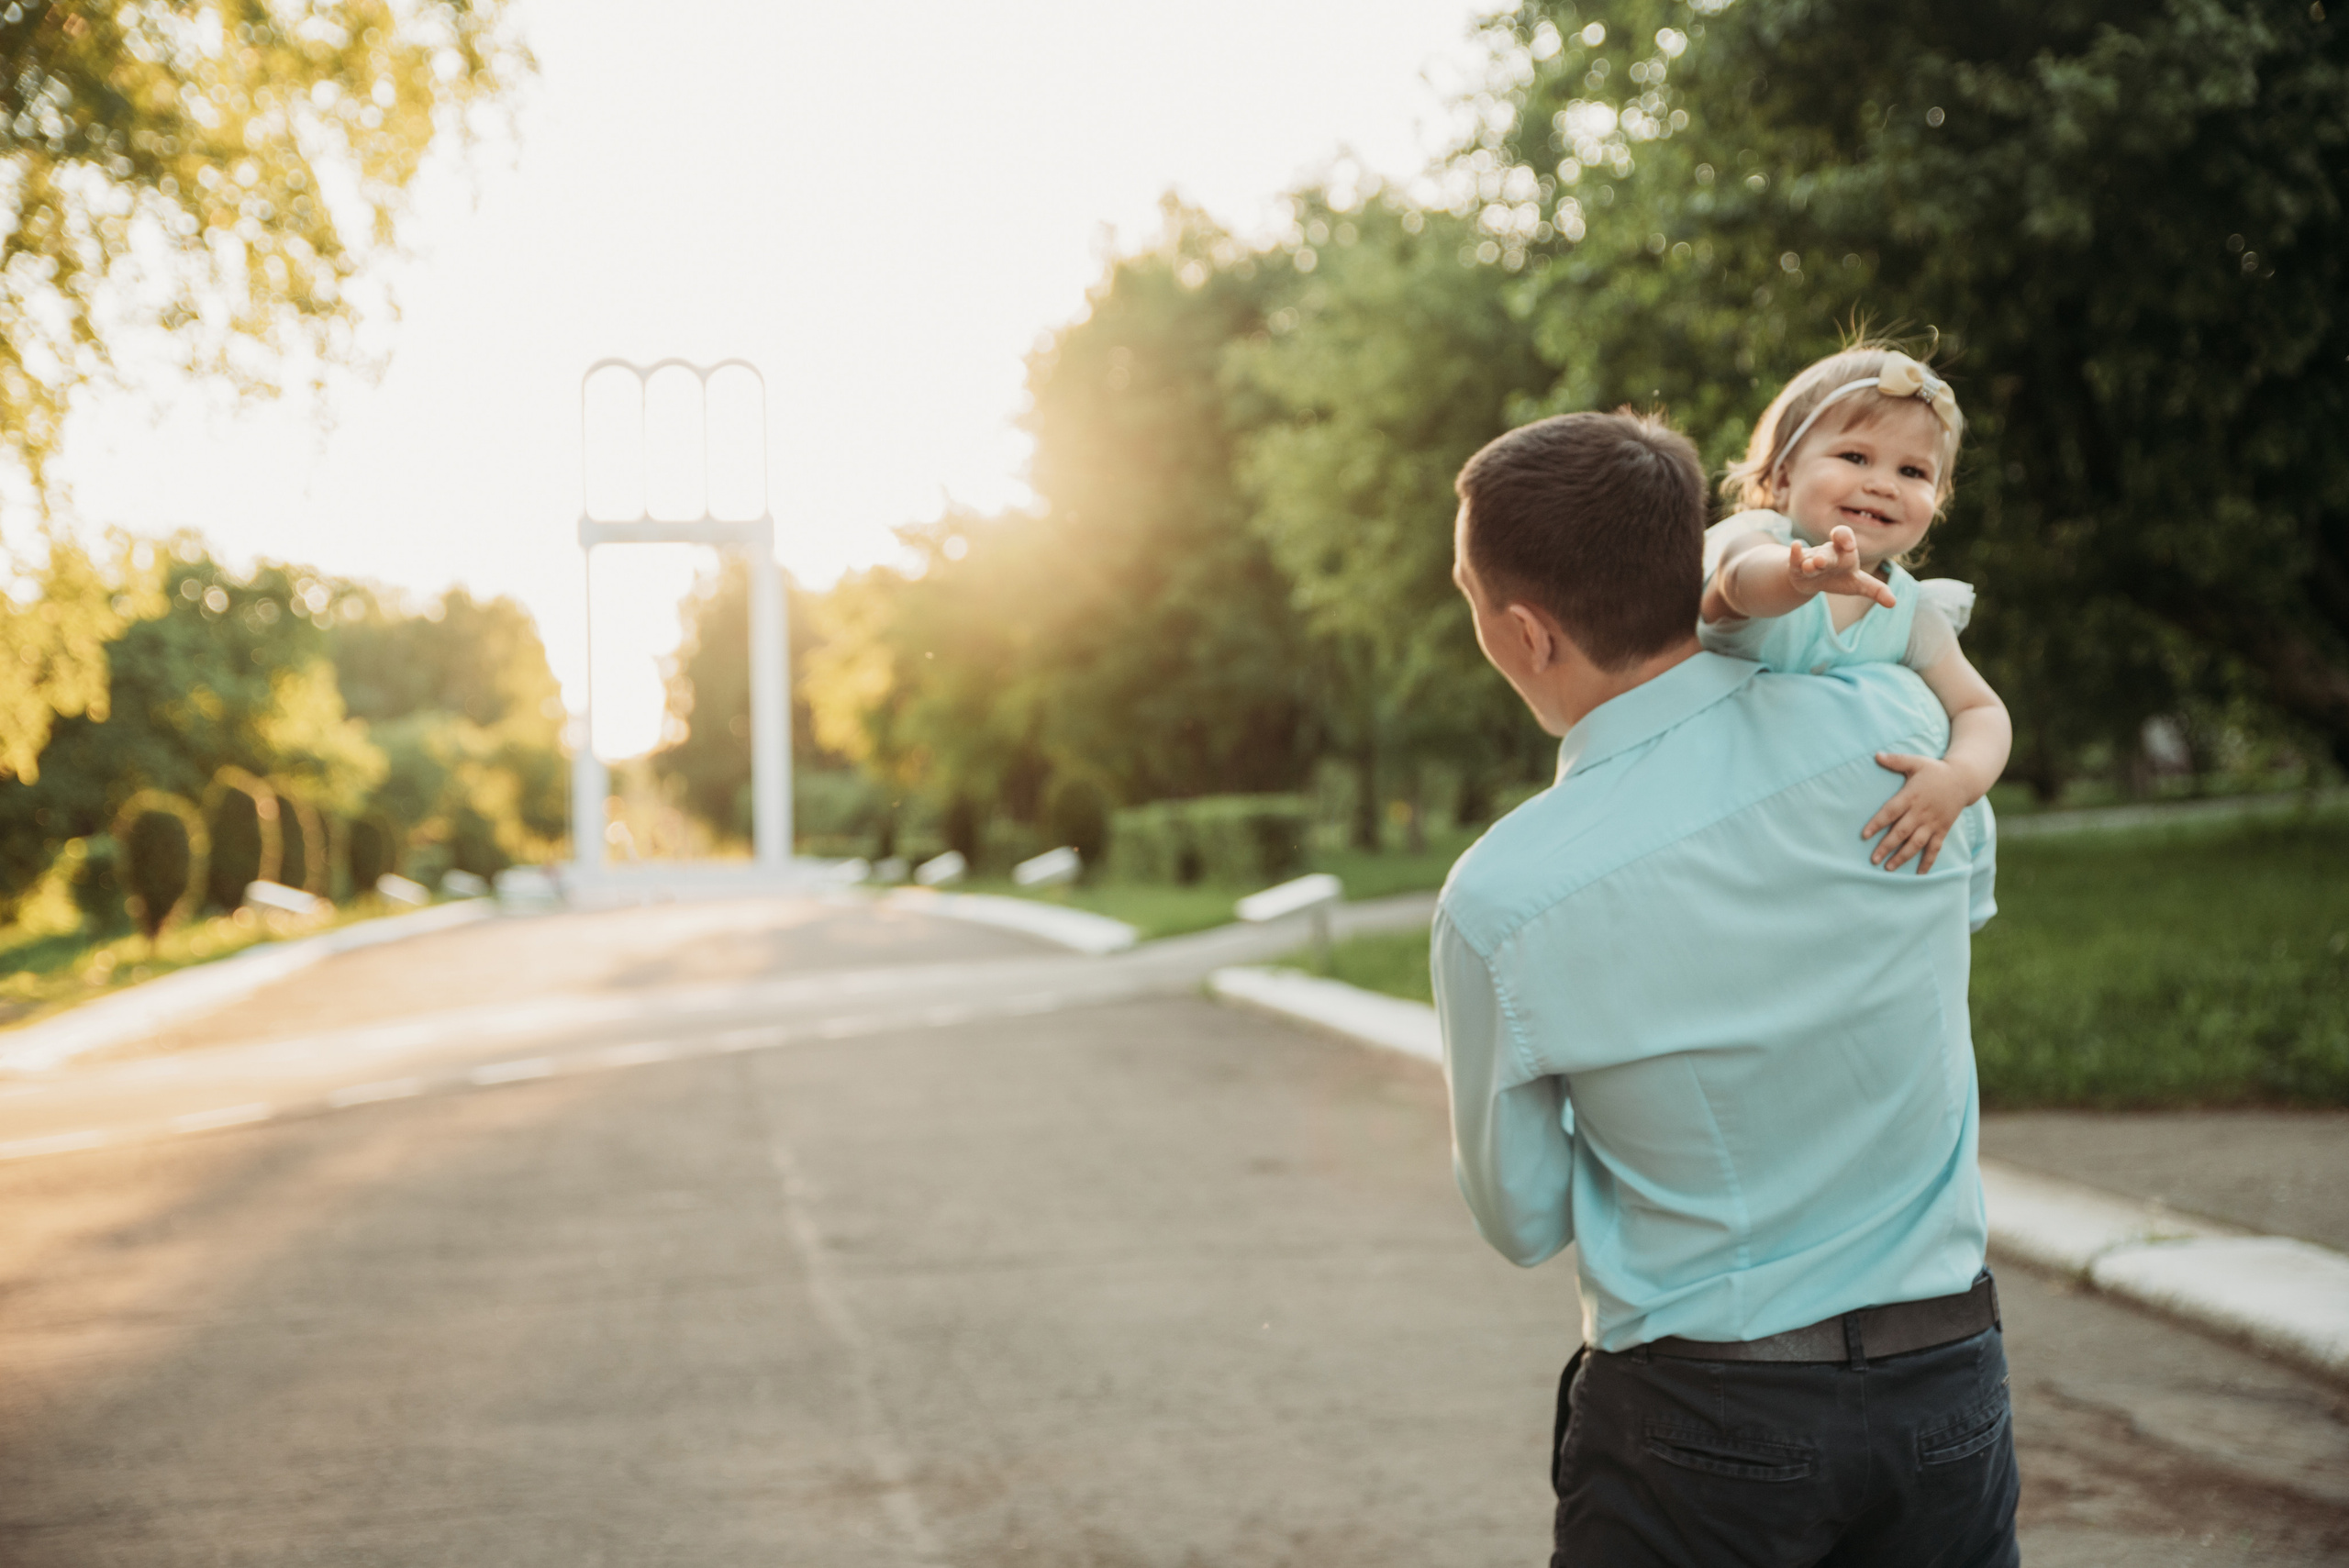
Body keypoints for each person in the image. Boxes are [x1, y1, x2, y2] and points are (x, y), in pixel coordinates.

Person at [1436, 408, 2018, 1566]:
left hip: (1701, 1424)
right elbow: (1952, 919)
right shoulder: (1908, 737)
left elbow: (1522, 1217)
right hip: (1948, 1385)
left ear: (1520, 632)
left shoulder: (1500, 895)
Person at [1697, 343, 2011, 876]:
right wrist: (1797, 577)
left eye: (1913, 471)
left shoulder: (1911, 612)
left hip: (1822, 842)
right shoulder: (1758, 543)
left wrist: (1958, 779)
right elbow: (1734, 584)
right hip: (1713, 812)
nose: (1883, 484)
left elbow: (1982, 711)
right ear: (1783, 477)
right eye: (1855, 457)